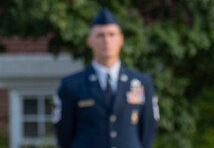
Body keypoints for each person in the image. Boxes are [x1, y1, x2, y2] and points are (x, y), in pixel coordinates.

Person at [54, 8, 159, 148]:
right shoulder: (72, 85)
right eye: (100, 35)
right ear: (89, 41)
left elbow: (148, 129)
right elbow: (64, 133)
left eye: (112, 34)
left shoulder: (141, 83)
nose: (106, 41)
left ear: (121, 39)